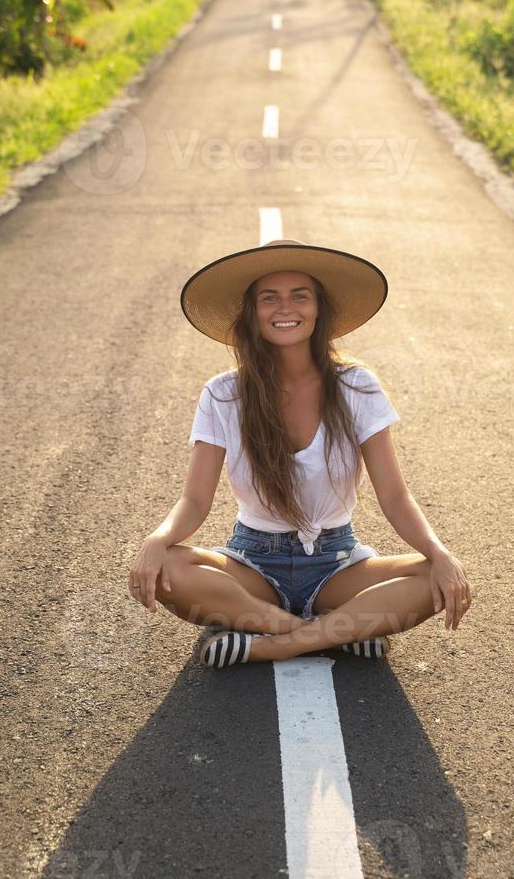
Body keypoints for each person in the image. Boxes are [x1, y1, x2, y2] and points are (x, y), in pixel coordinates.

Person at [128, 238, 472, 668]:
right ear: (252, 314)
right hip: (252, 565)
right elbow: (195, 500)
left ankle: (273, 640)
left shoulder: (357, 386)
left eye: (299, 296)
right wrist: (157, 539)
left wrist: (439, 554)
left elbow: (395, 496)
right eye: (269, 298)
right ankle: (339, 631)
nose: (285, 308)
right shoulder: (222, 394)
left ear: (318, 309)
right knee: (170, 569)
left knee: (433, 579)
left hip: (337, 563)